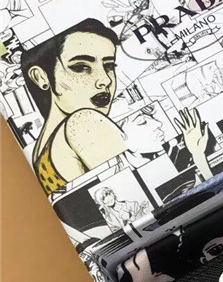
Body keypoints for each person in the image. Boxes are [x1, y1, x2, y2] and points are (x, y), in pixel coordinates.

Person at [21, 18, 211, 194]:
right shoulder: (83, 121)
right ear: (41, 77)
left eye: (109, 66)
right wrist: (198, 155)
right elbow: (148, 198)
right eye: (81, 67)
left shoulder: (39, 151)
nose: (105, 80)